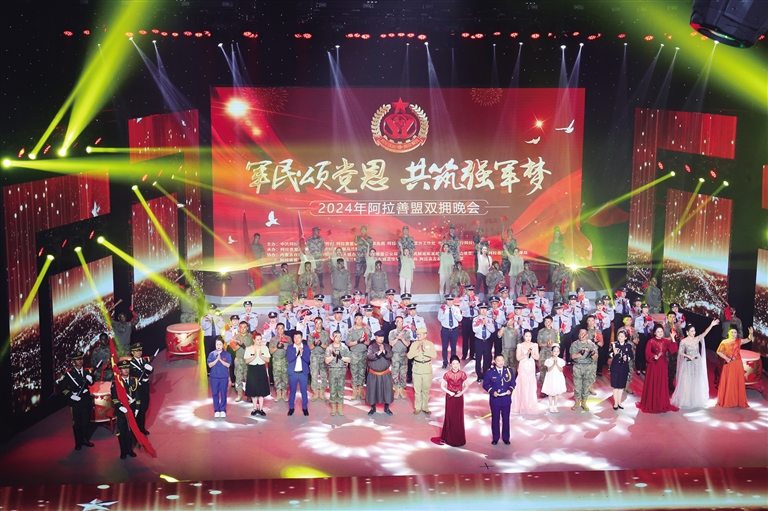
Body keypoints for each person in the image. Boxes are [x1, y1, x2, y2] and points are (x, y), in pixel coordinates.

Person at [671, 319, 719, 409]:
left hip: (697, 363)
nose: (694, 333)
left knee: (696, 380)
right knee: (687, 381)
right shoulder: (684, 341)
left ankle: (696, 399)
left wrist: (711, 325)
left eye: (694, 331)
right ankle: (687, 400)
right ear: (687, 332)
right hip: (688, 363)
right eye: (692, 331)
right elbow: (680, 352)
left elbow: (705, 333)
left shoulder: (697, 339)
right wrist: (688, 356)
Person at [637, 325, 679, 414]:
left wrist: (673, 338)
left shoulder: (665, 341)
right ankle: (652, 403)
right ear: (655, 333)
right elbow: (647, 353)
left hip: (662, 364)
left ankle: (660, 403)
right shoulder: (651, 341)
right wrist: (654, 356)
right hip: (653, 365)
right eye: (658, 332)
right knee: (653, 382)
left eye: (661, 332)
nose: (660, 333)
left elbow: (673, 349)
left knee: (661, 382)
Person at [59, 351, 94, 450]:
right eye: (77, 359)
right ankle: (78, 442)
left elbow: (91, 383)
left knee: (86, 421)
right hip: (75, 401)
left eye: (81, 359)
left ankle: (85, 440)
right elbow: (63, 388)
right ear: (73, 361)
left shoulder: (87, 371)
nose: (80, 361)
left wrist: (91, 380)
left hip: (85, 399)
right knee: (77, 422)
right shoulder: (69, 374)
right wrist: (71, 396)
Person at [716, 326, 753, 408]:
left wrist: (751, 333)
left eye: (735, 332)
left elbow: (749, 339)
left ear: (737, 334)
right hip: (728, 363)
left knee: (737, 381)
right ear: (728, 333)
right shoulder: (724, 342)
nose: (733, 334)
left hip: (737, 364)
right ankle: (728, 400)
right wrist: (726, 358)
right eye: (732, 332)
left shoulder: (738, 341)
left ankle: (737, 400)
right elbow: (718, 351)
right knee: (729, 381)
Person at [482, 355, 516, 445]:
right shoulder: (490, 372)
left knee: (506, 419)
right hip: (495, 400)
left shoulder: (508, 370)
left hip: (506, 399)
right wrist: (492, 392)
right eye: (498, 360)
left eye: (502, 360)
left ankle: (506, 438)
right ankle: (495, 438)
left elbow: (513, 383)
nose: (501, 362)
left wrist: (510, 390)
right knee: (495, 419)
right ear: (495, 361)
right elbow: (485, 385)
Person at [437, 356, 469, 447]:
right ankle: (449, 438)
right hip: (450, 397)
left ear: (459, 364)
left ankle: (459, 438)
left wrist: (461, 393)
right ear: (450, 364)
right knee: (450, 416)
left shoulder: (463, 374)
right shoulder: (447, 374)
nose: (455, 366)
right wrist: (450, 392)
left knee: (458, 417)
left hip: (459, 398)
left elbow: (466, 386)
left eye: (457, 364)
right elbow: (442, 386)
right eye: (453, 364)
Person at [111, 360, 139, 459]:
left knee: (130, 431)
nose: (126, 370)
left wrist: (137, 408)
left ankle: (130, 450)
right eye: (123, 369)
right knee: (122, 432)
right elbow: (114, 397)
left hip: (131, 410)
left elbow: (137, 395)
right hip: (121, 412)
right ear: (119, 370)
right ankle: (123, 451)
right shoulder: (116, 383)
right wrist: (120, 406)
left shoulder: (133, 380)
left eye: (127, 368)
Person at [408, 328, 437, 415]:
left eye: (420, 334)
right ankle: (417, 407)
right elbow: (409, 356)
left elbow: (434, 355)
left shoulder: (430, 344)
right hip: (417, 369)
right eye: (418, 334)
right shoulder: (414, 344)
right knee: (417, 390)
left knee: (426, 390)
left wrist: (425, 350)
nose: (418, 336)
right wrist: (416, 351)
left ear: (425, 335)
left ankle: (425, 407)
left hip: (427, 369)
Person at [511, 330, 539, 414]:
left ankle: (530, 405)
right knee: (523, 385)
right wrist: (526, 355)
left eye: (529, 336)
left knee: (531, 385)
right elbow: (518, 358)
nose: (528, 338)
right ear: (523, 337)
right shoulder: (520, 346)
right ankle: (522, 405)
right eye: (526, 336)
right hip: (523, 367)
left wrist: (532, 354)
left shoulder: (534, 345)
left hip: (531, 367)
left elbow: (537, 357)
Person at [366, 331, 395, 415]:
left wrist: (384, 351)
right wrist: (378, 352)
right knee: (373, 391)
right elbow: (370, 356)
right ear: (376, 337)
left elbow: (390, 355)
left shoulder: (387, 346)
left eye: (382, 337)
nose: (381, 339)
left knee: (387, 391)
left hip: (385, 373)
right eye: (379, 337)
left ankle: (387, 408)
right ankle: (373, 408)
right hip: (374, 374)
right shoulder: (371, 347)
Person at [570, 328, 598, 411]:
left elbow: (596, 357)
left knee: (586, 385)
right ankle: (577, 402)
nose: (581, 335)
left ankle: (584, 402)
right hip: (578, 366)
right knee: (577, 385)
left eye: (583, 333)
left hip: (588, 367)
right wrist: (580, 354)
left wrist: (592, 355)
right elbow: (572, 356)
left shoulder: (591, 344)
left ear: (587, 335)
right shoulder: (575, 344)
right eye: (580, 333)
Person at [128, 343, 154, 435]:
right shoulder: (130, 364)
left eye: (140, 350)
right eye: (137, 351)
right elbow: (131, 375)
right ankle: (137, 427)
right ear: (132, 352)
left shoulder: (144, 360)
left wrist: (150, 369)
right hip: (137, 388)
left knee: (144, 407)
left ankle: (141, 426)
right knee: (138, 408)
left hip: (145, 386)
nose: (139, 352)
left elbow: (150, 371)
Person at [325, 331, 351, 416]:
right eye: (336, 336)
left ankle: (340, 408)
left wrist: (341, 357)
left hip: (341, 371)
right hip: (332, 371)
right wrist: (333, 356)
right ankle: (333, 408)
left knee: (341, 390)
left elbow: (349, 360)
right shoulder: (329, 348)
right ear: (333, 337)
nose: (338, 338)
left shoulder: (344, 347)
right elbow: (326, 361)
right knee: (332, 390)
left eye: (340, 336)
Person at [244, 333, 271, 416]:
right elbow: (247, 361)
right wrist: (254, 356)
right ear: (254, 340)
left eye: (260, 339)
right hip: (252, 369)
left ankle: (261, 408)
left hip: (261, 368)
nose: (259, 341)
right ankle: (255, 408)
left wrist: (260, 356)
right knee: (253, 390)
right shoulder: (249, 348)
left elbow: (268, 360)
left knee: (261, 390)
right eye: (257, 339)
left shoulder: (264, 348)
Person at [347, 312, 372, 400]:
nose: (359, 321)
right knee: (354, 373)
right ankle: (354, 392)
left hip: (363, 354)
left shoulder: (366, 330)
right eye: (357, 319)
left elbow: (368, 343)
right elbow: (349, 343)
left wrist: (363, 341)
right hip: (354, 354)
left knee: (362, 373)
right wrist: (358, 342)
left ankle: (361, 391)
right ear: (354, 319)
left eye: (360, 319)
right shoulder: (351, 330)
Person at [286, 332, 311, 416]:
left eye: (298, 338)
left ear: (302, 338)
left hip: (303, 373)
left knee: (304, 391)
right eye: (295, 338)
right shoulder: (290, 348)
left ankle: (305, 408)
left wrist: (302, 353)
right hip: (293, 373)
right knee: (292, 391)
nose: (296, 340)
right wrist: (297, 354)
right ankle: (291, 408)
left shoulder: (306, 347)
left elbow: (307, 359)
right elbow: (289, 359)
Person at [608, 329, 634, 410]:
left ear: (625, 337)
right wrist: (613, 353)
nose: (620, 338)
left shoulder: (628, 346)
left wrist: (627, 358)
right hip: (615, 368)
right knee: (615, 386)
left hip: (624, 368)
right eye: (619, 336)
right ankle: (615, 403)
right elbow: (609, 354)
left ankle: (619, 402)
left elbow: (631, 356)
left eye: (622, 336)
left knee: (621, 386)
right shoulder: (614, 344)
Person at [208, 339, 232, 418]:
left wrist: (220, 360)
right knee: (215, 393)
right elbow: (210, 365)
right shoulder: (212, 354)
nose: (218, 346)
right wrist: (216, 360)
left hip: (223, 377)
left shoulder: (227, 354)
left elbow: (228, 365)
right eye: (217, 344)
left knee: (223, 393)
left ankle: (223, 410)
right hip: (214, 377)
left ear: (223, 345)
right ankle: (217, 410)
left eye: (220, 344)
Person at [473, 303, 496, 382]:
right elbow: (474, 330)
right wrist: (481, 325)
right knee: (478, 359)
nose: (483, 311)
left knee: (487, 358)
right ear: (479, 310)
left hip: (487, 341)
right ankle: (479, 375)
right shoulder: (476, 319)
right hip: (479, 341)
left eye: (485, 309)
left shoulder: (490, 319)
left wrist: (486, 325)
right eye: (481, 309)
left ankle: (486, 374)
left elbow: (493, 330)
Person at [389, 316, 410, 399]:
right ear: (395, 323)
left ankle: (401, 389)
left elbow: (407, 344)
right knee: (395, 372)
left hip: (404, 355)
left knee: (403, 373)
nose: (400, 324)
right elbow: (391, 343)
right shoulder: (392, 332)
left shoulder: (406, 332)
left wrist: (402, 338)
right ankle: (396, 389)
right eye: (398, 322)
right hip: (395, 355)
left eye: (401, 322)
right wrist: (397, 338)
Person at [438, 294, 462, 368]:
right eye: (448, 300)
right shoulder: (442, 309)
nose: (450, 302)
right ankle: (445, 362)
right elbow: (439, 318)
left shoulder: (456, 309)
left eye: (451, 300)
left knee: (453, 347)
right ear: (446, 300)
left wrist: (455, 314)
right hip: (445, 330)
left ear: (453, 300)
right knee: (444, 347)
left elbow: (460, 319)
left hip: (454, 330)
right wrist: (445, 313)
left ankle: (453, 362)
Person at [309, 318, 330, 401]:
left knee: (324, 376)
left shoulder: (325, 334)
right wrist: (314, 344)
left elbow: (328, 346)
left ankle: (322, 394)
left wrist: (321, 344)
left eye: (320, 323)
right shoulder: (311, 334)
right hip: (314, 356)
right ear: (314, 324)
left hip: (323, 356)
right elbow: (310, 347)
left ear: (322, 324)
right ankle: (315, 394)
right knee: (314, 375)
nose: (318, 325)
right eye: (316, 323)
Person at [536, 316, 559, 390]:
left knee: (552, 371)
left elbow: (558, 342)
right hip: (543, 353)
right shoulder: (541, 331)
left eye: (548, 321)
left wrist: (552, 344)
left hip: (553, 353)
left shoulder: (555, 332)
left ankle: (551, 388)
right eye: (545, 321)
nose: (547, 323)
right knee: (543, 370)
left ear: (551, 322)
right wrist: (546, 344)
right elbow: (539, 344)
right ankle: (543, 388)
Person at [200, 304, 225, 374]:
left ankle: (218, 369)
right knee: (208, 353)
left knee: (218, 353)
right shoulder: (205, 318)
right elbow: (203, 327)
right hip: (208, 338)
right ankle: (209, 371)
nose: (212, 311)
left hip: (217, 337)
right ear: (208, 310)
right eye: (211, 310)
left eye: (213, 309)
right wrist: (210, 323)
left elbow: (222, 325)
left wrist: (217, 322)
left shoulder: (219, 318)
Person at [268, 324, 290, 402]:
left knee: (285, 377)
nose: (280, 330)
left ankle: (284, 394)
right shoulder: (273, 339)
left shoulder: (288, 338)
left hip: (285, 360)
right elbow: (271, 351)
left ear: (284, 329)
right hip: (276, 360)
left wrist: (283, 347)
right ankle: (278, 394)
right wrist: (277, 347)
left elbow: (291, 350)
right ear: (276, 329)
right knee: (276, 378)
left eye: (282, 328)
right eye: (278, 329)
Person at [542, 345, 566, 413]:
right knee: (550, 393)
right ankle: (550, 406)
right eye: (554, 351)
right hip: (551, 377)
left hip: (558, 377)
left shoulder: (561, 360)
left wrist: (557, 364)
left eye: (557, 351)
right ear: (552, 352)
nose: (556, 353)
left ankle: (555, 406)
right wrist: (553, 364)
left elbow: (561, 370)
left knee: (556, 393)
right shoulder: (549, 360)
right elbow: (549, 370)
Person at [460, 285, 479, 361]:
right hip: (466, 320)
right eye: (469, 290)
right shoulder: (463, 299)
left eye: (472, 290)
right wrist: (468, 304)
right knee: (465, 338)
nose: (471, 292)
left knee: (473, 338)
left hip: (474, 319)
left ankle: (472, 354)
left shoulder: (476, 298)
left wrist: (475, 305)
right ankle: (464, 354)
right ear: (466, 291)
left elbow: (479, 308)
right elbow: (461, 308)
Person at [354, 226, 373, 291]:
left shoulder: (369, 238)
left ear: (366, 230)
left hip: (366, 257)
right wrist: (355, 236)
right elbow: (355, 242)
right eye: (362, 230)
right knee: (358, 271)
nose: (363, 231)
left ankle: (367, 284)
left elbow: (371, 247)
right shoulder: (358, 237)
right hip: (359, 257)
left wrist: (370, 257)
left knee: (366, 271)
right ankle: (356, 284)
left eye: (364, 230)